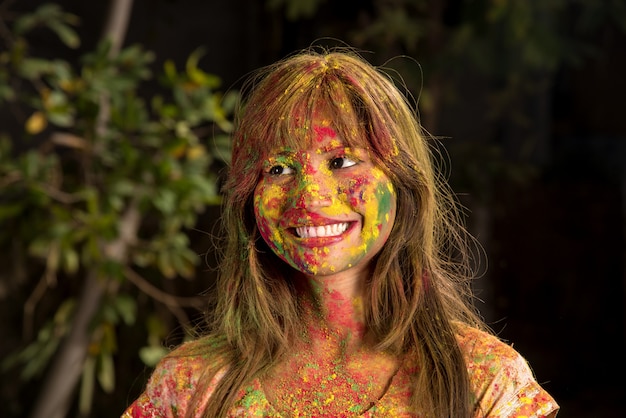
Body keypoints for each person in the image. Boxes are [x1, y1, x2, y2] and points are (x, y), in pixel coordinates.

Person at [122, 48, 559, 417]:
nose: (310, 196)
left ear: (402, 183)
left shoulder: (484, 380)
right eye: (278, 168)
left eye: (342, 161)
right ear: (248, 199)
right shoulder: (188, 385)